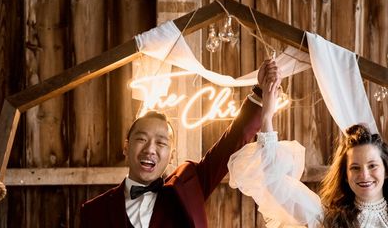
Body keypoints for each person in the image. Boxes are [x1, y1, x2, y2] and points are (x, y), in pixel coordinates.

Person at [228, 59, 388, 228]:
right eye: (355, 168)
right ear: (345, 176)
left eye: (372, 165)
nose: (364, 174)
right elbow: (274, 181)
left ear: (387, 170)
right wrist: (267, 115)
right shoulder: (326, 217)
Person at [79, 62, 273, 228]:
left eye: (161, 142)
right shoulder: (93, 211)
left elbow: (229, 144)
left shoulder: (187, 189)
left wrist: (259, 92)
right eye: (141, 139)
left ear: (171, 155)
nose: (150, 149)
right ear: (126, 147)